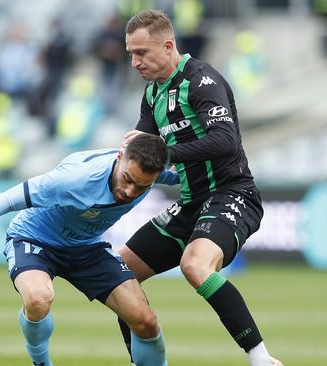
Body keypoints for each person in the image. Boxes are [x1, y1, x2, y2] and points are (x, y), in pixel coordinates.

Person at [0, 134, 175, 366]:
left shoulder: (153, 172)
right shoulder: (74, 180)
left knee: (145, 322)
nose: (130, 192)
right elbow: (5, 200)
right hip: (34, 238)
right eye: (127, 179)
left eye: (141, 187)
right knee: (38, 299)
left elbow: (205, 167)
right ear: (120, 157)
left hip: (86, 246)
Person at [117, 10, 282, 366]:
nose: (134, 62)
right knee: (118, 275)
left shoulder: (202, 80)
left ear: (168, 45)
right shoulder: (153, 94)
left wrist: (164, 151)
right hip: (191, 202)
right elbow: (145, 153)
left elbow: (225, 141)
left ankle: (261, 359)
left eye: (142, 53)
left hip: (232, 193)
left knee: (195, 265)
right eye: (131, 53)